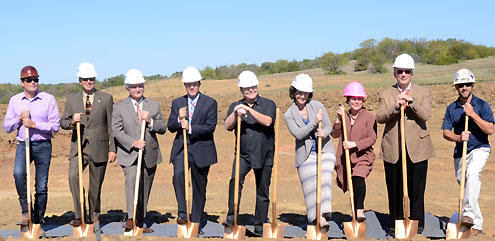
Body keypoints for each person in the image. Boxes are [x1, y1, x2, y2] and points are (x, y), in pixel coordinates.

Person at [376, 54, 435, 234]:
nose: (403, 74)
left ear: (412, 73)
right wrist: (394, 107)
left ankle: (417, 223)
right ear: (394, 73)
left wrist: (412, 103)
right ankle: (396, 223)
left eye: (406, 71)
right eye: (399, 71)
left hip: (417, 148)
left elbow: (426, 115)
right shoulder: (385, 93)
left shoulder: (423, 92)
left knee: (417, 188)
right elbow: (379, 117)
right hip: (393, 148)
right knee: (394, 189)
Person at [60, 63, 116, 226]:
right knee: (73, 177)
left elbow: (111, 125)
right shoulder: (72, 99)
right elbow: (63, 122)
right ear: (80, 81)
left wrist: (112, 149)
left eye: (91, 79)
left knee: (95, 185)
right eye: (86, 79)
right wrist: (72, 121)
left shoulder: (106, 98)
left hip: (100, 147)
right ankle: (79, 214)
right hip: (79, 148)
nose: (89, 82)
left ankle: (94, 215)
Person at [3, 66, 60, 226]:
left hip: (43, 146)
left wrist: (34, 124)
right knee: (19, 174)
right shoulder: (15, 101)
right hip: (24, 145)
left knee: (41, 185)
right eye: (29, 80)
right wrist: (19, 119)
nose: (33, 82)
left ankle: (38, 217)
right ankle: (25, 211)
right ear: (22, 82)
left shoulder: (48, 99)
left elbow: (55, 126)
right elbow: (7, 127)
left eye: (35, 79)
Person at [222, 70, 276, 236]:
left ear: (257, 86)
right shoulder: (235, 106)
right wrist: (235, 113)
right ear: (241, 90)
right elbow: (227, 125)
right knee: (235, 183)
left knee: (262, 189)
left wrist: (248, 110)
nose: (251, 90)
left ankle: (260, 224)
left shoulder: (269, 104)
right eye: (247, 88)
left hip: (264, 154)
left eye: (253, 87)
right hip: (243, 155)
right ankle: (232, 219)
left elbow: (268, 121)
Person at [112, 69, 166, 233]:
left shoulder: (153, 105)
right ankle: (130, 218)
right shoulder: (119, 107)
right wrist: (133, 142)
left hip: (150, 154)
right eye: (134, 86)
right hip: (129, 154)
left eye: (140, 86)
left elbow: (162, 128)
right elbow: (116, 131)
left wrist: (150, 121)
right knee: (132, 179)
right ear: (127, 88)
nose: (137, 89)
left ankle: (140, 221)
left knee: (145, 187)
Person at [441, 69, 494, 234]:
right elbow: (445, 132)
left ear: (472, 85)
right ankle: (477, 225)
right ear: (456, 87)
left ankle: (468, 215)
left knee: (472, 174)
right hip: (460, 152)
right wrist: (458, 138)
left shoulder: (482, 105)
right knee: (467, 187)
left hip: (480, 148)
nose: (464, 87)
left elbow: (490, 130)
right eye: (461, 85)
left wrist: (473, 115)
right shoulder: (452, 108)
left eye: (467, 84)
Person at [167, 67, 218, 230]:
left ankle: (195, 221)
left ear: (199, 83)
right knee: (178, 175)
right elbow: (170, 126)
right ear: (185, 85)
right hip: (182, 148)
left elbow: (210, 127)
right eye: (188, 84)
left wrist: (190, 127)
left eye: (194, 84)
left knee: (199, 186)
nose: (191, 87)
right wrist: (178, 119)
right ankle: (182, 213)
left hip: (202, 149)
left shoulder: (210, 103)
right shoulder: (178, 103)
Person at [284, 74, 336, 229]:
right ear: (293, 92)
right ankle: (316, 218)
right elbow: (298, 134)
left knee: (325, 177)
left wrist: (324, 133)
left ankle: (323, 216)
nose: (302, 96)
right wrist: (314, 123)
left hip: (325, 150)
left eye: (305, 93)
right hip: (305, 155)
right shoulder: (289, 114)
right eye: (299, 92)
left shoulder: (318, 106)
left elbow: (328, 126)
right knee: (310, 185)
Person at [330, 81, 376, 222]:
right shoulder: (344, 116)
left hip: (363, 156)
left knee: (358, 177)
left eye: (359, 99)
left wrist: (355, 144)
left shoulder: (369, 117)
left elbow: (372, 138)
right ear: (348, 100)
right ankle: (355, 213)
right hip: (346, 157)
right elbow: (335, 134)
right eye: (353, 99)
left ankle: (360, 210)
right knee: (352, 184)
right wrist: (338, 120)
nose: (356, 101)